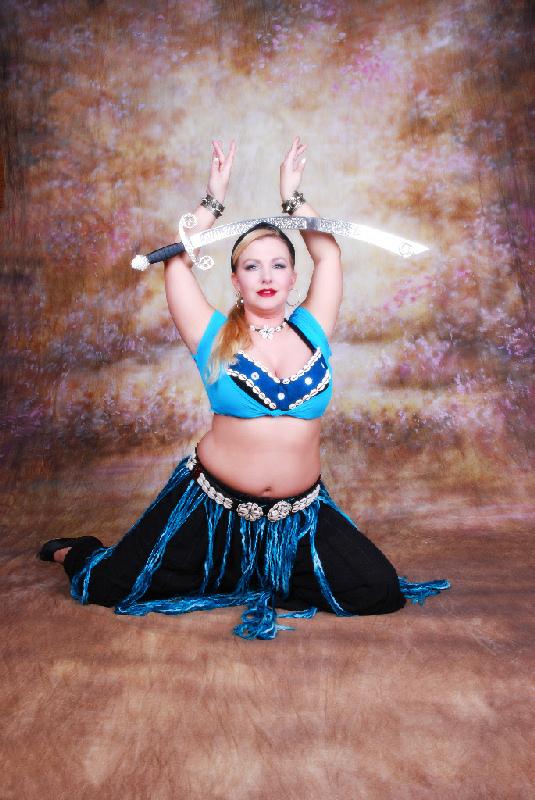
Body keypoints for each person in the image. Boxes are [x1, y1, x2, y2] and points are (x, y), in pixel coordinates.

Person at [38, 136, 449, 640]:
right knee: (110, 585)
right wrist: (212, 202)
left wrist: (293, 198)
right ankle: (78, 550)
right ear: (235, 280)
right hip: (210, 511)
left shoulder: (313, 328)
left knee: (377, 591)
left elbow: (329, 254)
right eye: (251, 266)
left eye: (278, 264)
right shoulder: (211, 334)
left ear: (294, 276)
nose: (266, 275)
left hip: (298, 518)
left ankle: (259, 571)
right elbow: (178, 259)